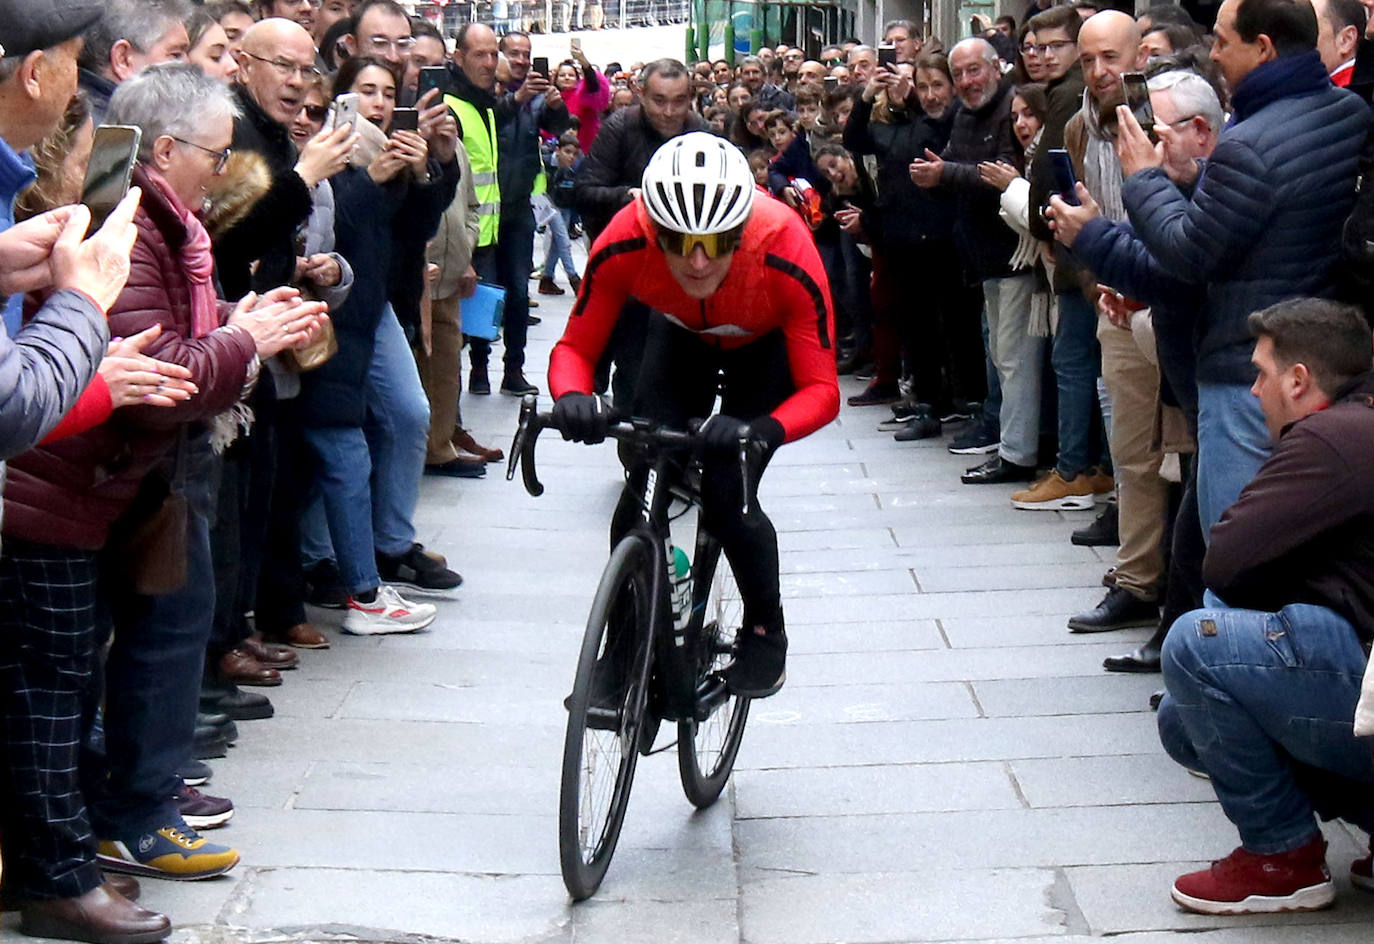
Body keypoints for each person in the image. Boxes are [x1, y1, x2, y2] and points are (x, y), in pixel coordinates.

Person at [548, 132, 839, 698]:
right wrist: (571, 398)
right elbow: (576, 348)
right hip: (679, 336)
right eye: (679, 242)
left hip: (766, 346)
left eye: (719, 240)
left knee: (732, 493)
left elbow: (822, 389)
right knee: (642, 489)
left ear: (743, 230)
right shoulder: (625, 237)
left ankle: (764, 632)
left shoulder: (785, 244)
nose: (699, 259)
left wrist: (762, 431)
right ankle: (624, 644)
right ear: (653, 229)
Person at [1113, 0, 1370, 536]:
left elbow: (1190, 254)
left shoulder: (1248, 143)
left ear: (1264, 47)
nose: (1213, 53)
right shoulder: (1348, 112)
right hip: (1315, 351)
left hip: (1247, 366)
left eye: (1224, 41)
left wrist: (1144, 180)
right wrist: (1189, 180)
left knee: (1234, 544)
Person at [1155, 298, 1374, 916]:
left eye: (1260, 373)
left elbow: (1224, 560)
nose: (1254, 393)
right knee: (1183, 718)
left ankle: (1283, 858)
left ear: (1299, 380)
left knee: (1198, 644)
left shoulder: (1331, 436)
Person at [910, 38, 1029, 457]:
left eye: (973, 71)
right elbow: (957, 169)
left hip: (1013, 254)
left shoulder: (1009, 108)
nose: (966, 82)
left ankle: (1015, 446)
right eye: (959, 74)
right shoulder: (965, 115)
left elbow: (1000, 175)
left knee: (1011, 357)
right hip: (980, 256)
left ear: (997, 67)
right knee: (996, 350)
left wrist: (945, 174)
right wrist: (935, 175)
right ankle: (998, 429)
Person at [76, 0, 191, 124]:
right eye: (175, 55)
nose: (189, 65)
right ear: (123, 60)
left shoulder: (80, 118)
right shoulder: (107, 135)